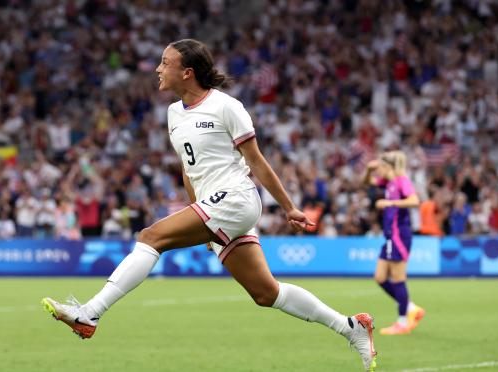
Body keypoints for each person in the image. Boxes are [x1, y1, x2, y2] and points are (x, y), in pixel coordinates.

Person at [42, 39, 377, 371]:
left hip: (237, 198)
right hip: (214, 206)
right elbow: (191, 172)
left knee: (150, 237)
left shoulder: (226, 106)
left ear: (187, 73)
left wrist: (289, 207)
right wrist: (197, 212)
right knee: (266, 293)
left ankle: (91, 313)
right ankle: (351, 327)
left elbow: (256, 161)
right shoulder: (174, 113)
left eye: (165, 62)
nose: (158, 69)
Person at [363, 151, 424, 335]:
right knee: (380, 277)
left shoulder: (401, 180)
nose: (377, 171)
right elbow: (367, 182)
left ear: (388, 167)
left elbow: (414, 201)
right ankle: (411, 307)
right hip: (390, 236)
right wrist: (368, 169)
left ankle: (403, 322)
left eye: (379, 167)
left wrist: (390, 204)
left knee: (398, 277)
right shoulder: (388, 183)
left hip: (399, 236)